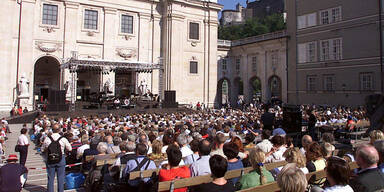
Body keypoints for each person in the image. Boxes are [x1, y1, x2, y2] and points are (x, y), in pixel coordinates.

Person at [42, 124, 72, 192]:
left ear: (52, 130)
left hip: (50, 158)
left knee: (50, 178)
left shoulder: (47, 139)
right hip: (61, 158)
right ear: (59, 130)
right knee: (61, 177)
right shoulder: (63, 139)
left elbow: (42, 149)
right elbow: (70, 149)